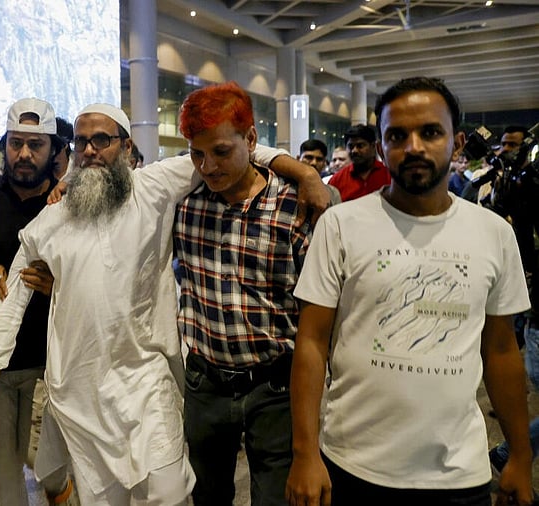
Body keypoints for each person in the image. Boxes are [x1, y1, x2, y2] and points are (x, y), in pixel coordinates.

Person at [0, 100, 330, 505]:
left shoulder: (153, 186)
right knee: (103, 498)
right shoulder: (52, 218)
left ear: (128, 147)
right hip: (79, 388)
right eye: (81, 141)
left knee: (166, 492)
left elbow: (228, 148)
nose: (90, 150)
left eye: (101, 140)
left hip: (146, 379)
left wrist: (305, 172)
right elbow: (14, 295)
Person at [285, 76, 533, 506]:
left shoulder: (493, 233)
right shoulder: (341, 225)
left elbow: (501, 351)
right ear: (381, 147)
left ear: (456, 144)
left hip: (458, 473)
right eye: (397, 135)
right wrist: (305, 454)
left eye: (430, 132)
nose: (413, 146)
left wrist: (521, 455)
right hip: (351, 464)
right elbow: (311, 342)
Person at [175, 81, 311, 506]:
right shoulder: (185, 203)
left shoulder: (295, 208)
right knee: (206, 495)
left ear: (251, 140)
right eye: (197, 154)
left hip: (275, 387)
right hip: (205, 382)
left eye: (220, 152)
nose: (208, 166)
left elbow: (319, 311)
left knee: (275, 497)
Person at [0, 97, 63, 506]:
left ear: (54, 151)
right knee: (2, 470)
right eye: (15, 143)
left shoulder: (68, 207)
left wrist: (60, 283)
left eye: (35, 144)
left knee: (51, 467)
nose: (24, 154)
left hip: (52, 363)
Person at [328, 124, 390, 201]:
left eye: (360, 146)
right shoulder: (337, 180)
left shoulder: (389, 174)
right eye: (350, 146)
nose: (354, 151)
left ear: (373, 147)